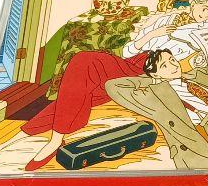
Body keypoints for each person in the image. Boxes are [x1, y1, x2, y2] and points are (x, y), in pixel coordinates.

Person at [106, 48, 208, 169]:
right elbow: (114, 87)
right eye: (164, 65)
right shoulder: (157, 97)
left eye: (172, 60)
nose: (173, 66)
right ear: (155, 74)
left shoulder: (197, 74)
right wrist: (151, 80)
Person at [15, 48, 152, 171]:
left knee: (84, 62)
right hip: (124, 64)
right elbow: (129, 50)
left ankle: (54, 139)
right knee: (75, 95)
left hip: (137, 70)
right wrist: (151, 34)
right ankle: (28, 133)